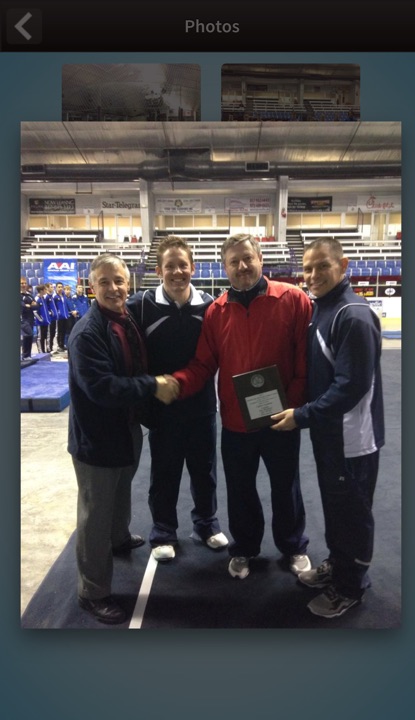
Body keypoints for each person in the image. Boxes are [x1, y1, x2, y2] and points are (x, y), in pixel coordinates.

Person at [172, 233, 313, 580]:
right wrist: (176, 382)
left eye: (247, 258)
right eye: (233, 262)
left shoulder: (293, 299)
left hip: (282, 418)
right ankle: (245, 548)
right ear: (224, 268)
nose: (242, 266)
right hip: (236, 422)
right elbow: (204, 364)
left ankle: (293, 546)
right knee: (240, 489)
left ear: (260, 258)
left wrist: (293, 407)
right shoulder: (216, 312)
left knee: (286, 486)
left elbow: (304, 359)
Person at [272, 238, 385, 618]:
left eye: (322, 266)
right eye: (308, 268)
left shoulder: (352, 315)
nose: (313, 275)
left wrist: (300, 415)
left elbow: (349, 388)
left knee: (352, 514)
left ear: (344, 265)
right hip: (329, 435)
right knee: (336, 510)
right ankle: (339, 565)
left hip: (352, 439)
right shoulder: (323, 309)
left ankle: (351, 587)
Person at [67, 253, 179, 625]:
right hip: (96, 439)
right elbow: (101, 387)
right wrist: (154, 385)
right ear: (91, 287)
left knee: (120, 491)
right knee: (95, 515)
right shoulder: (87, 333)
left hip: (125, 428)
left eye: (119, 281)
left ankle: (117, 539)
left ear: (128, 283)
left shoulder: (125, 317)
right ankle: (92, 592)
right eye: (104, 282)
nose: (113, 288)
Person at [127, 235, 228, 561]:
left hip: (201, 407)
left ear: (193, 268)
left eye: (182, 265)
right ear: (159, 269)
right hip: (163, 409)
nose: (177, 271)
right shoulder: (140, 305)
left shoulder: (210, 305)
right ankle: (163, 532)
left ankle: (206, 524)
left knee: (204, 472)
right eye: (170, 266)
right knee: (164, 473)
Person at [20, 276, 38, 361]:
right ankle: (24, 354)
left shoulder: (29, 295)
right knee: (28, 334)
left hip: (31, 318)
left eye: (25, 283)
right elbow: (22, 305)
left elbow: (36, 306)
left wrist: (31, 305)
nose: (23, 285)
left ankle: (27, 355)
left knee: (29, 336)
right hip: (23, 318)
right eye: (21, 283)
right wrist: (27, 305)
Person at [52, 281, 69, 352]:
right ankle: (58, 345)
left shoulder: (64, 296)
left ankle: (62, 345)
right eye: (59, 287)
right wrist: (57, 314)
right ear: (56, 288)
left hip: (65, 316)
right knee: (59, 331)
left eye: (61, 287)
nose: (60, 288)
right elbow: (53, 307)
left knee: (64, 331)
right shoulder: (55, 297)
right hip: (58, 317)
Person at [33, 284, 50, 353]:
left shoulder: (43, 298)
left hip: (46, 321)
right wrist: (40, 319)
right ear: (41, 291)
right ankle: (41, 351)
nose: (46, 291)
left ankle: (46, 350)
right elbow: (35, 312)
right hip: (40, 322)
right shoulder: (36, 299)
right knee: (40, 337)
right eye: (45, 289)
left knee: (45, 336)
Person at [45, 282, 58, 353]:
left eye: (53, 287)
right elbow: (45, 307)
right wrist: (50, 313)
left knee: (53, 333)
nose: (53, 288)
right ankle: (48, 348)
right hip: (50, 319)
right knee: (49, 333)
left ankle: (51, 347)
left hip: (54, 318)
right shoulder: (46, 297)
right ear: (47, 288)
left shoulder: (52, 296)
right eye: (51, 287)